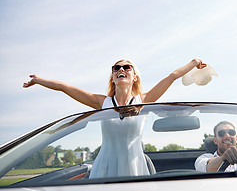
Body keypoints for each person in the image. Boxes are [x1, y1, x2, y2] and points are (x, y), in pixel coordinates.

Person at [24, 58, 207, 178]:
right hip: (105, 166)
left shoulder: (144, 100)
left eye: (127, 67)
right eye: (116, 68)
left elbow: (173, 76)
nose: (121, 69)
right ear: (113, 77)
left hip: (134, 167)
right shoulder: (101, 102)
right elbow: (64, 87)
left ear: (134, 76)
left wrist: (194, 62)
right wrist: (38, 80)